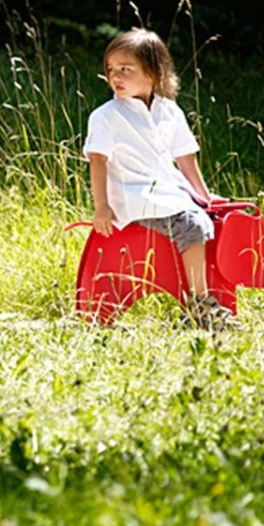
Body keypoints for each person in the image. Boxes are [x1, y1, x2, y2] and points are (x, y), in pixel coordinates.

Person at [85, 27, 232, 330]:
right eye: (111, 69)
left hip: (168, 194)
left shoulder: (170, 111)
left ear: (154, 72)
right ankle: (200, 306)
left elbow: (185, 158)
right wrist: (101, 206)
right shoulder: (106, 115)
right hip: (134, 198)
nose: (116, 77)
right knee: (192, 224)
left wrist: (205, 198)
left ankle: (207, 294)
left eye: (126, 69)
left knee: (209, 217)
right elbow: (97, 161)